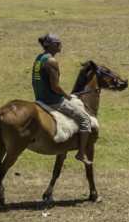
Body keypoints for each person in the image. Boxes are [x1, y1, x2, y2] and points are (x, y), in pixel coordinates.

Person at [31, 34, 94, 162]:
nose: (60, 45)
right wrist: (67, 96)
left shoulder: (39, 58)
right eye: (58, 43)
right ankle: (81, 153)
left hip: (39, 98)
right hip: (53, 101)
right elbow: (55, 87)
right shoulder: (51, 61)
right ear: (51, 45)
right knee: (85, 120)